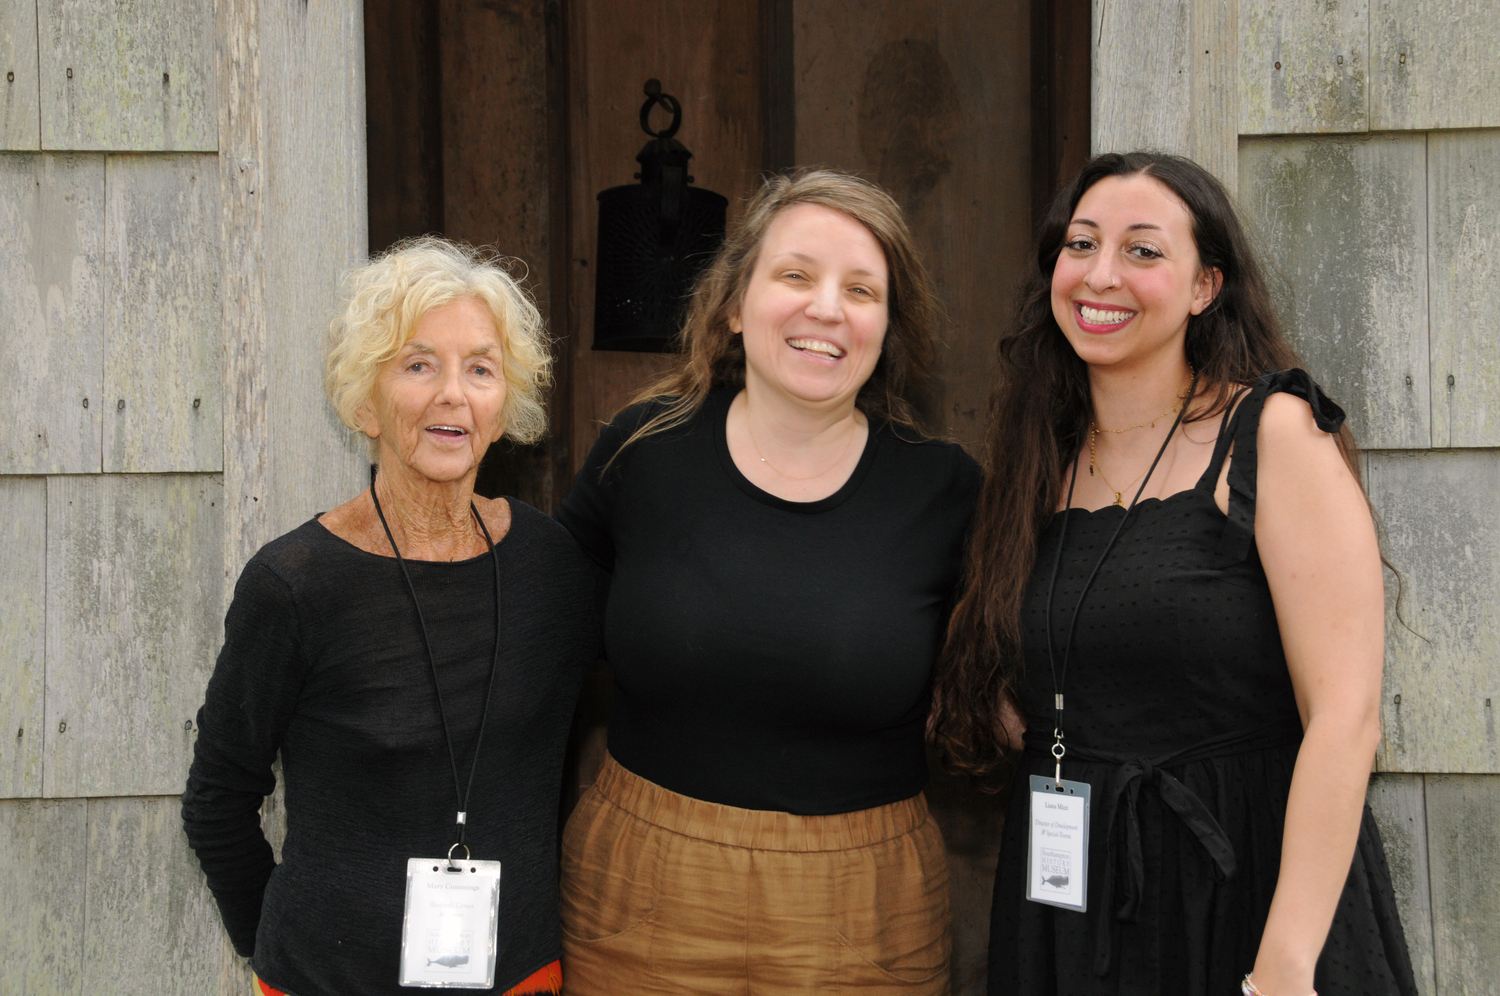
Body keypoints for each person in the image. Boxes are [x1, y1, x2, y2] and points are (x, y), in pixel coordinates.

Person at [930, 152, 1417, 996]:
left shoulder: (1272, 432)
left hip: (1250, 888)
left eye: (1143, 251)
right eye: (1080, 245)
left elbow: (1346, 715)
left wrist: (1286, 966)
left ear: (1206, 286)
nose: (1101, 274)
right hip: (1075, 905)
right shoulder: (1037, 464)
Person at [554, 169, 980, 994]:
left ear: (887, 329)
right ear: (730, 304)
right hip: (640, 900)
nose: (826, 308)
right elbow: (530, 637)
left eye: (862, 289)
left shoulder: (948, 491)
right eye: (795, 275)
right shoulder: (640, 452)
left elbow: (1018, 673)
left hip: (864, 922)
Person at [182, 237, 598, 996]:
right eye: (418, 364)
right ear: (364, 402)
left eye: (480, 368)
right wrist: (277, 955)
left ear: (504, 406)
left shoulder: (552, 567)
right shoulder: (295, 584)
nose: (452, 394)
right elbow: (219, 799)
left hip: (521, 979)